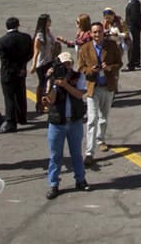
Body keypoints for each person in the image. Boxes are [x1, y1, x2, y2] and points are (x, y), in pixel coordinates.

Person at [44, 51, 90, 199]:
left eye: (69, 64)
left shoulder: (78, 76)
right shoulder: (53, 78)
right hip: (57, 122)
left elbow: (79, 94)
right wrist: (52, 82)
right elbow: (49, 100)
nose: (67, 67)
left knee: (76, 154)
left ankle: (80, 180)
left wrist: (65, 84)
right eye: (64, 65)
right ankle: (53, 184)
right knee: (55, 155)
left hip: (74, 120)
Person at [77, 20, 121, 166]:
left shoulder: (112, 46)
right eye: (94, 32)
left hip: (107, 87)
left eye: (100, 32)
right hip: (92, 87)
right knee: (92, 119)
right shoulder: (85, 48)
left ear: (104, 32)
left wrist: (108, 67)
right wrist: (91, 70)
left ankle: (101, 139)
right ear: (90, 33)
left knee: (104, 116)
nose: (97, 34)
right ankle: (89, 152)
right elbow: (81, 67)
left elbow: (119, 63)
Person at [0, 17, 33, 133]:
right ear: (18, 25)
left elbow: (5, 60)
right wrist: (22, 67)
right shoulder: (26, 38)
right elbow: (30, 54)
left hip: (8, 73)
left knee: (9, 97)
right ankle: (22, 117)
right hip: (21, 71)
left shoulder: (2, 41)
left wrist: (14, 69)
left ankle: (11, 121)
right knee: (21, 94)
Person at [29, 14, 58, 114]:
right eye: (48, 20)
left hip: (49, 60)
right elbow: (36, 51)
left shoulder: (48, 32)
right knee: (42, 83)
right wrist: (33, 65)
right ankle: (39, 104)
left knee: (50, 82)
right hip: (41, 63)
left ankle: (47, 102)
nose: (50, 22)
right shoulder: (40, 35)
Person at [123, 0, 141, 71]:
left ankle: (131, 64)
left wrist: (129, 27)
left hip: (132, 28)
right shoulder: (134, 2)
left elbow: (135, 17)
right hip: (135, 27)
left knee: (131, 46)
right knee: (136, 45)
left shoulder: (134, 3)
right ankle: (136, 61)